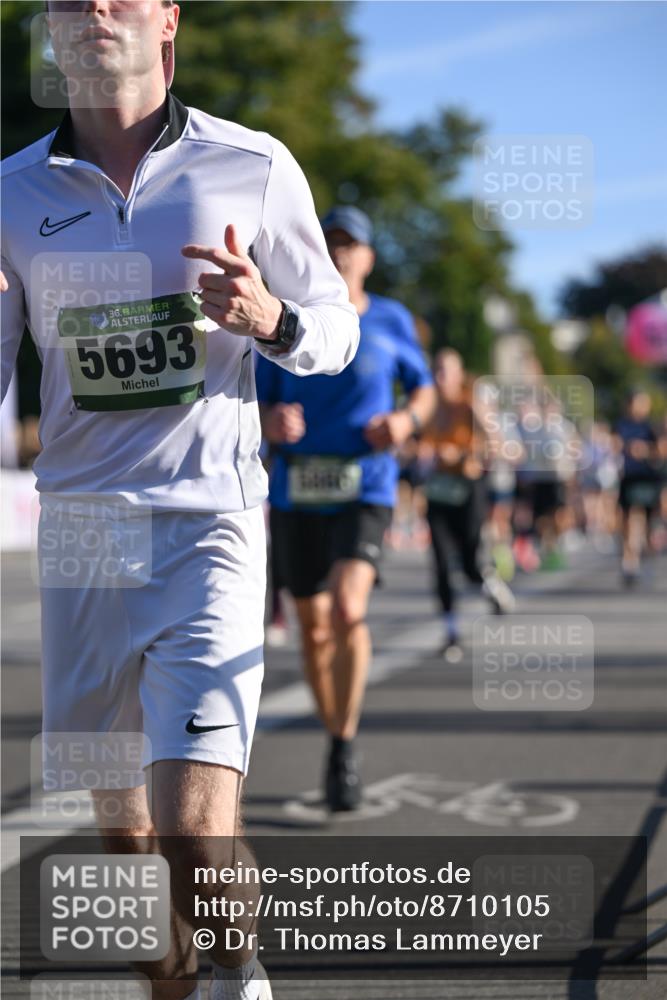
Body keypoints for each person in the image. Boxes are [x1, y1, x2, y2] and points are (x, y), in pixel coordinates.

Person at [1, 3, 359, 999]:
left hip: (211, 520)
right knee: (128, 844)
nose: (94, 9)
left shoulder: (252, 164)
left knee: (197, 826)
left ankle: (238, 977)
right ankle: (178, 984)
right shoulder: (10, 193)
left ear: (166, 21)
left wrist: (273, 317)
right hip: (82, 533)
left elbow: (338, 329)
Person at [256, 206, 435, 811]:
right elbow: (244, 400)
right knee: (311, 628)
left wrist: (407, 419)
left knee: (348, 611)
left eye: (351, 244)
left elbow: (426, 388)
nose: (340, 253)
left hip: (367, 484)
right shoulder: (285, 315)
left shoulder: (390, 318)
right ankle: (335, 731)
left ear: (368, 257)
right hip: (296, 490)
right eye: (330, 241)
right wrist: (268, 420)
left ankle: (344, 743)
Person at [419, 349, 515, 661]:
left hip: (468, 489)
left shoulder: (470, 404)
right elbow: (413, 443)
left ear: (460, 375)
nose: (440, 376)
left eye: (446, 370)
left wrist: (461, 456)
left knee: (471, 562)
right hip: (438, 492)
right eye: (436, 369)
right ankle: (451, 632)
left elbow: (497, 445)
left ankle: (490, 583)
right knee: (442, 563)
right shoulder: (427, 404)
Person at [614, 390, 661, 585]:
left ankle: (647, 556)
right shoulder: (621, 425)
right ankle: (629, 561)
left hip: (648, 478)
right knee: (628, 519)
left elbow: (661, 450)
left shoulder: (651, 427)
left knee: (649, 523)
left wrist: (645, 450)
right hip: (629, 477)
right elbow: (613, 445)